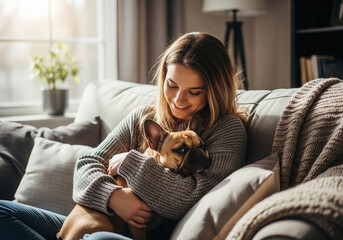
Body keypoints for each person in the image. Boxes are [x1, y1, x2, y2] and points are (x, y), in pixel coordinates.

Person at [0, 32, 247, 240]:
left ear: (215, 89)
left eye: (193, 91)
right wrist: (114, 197)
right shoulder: (143, 118)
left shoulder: (227, 129)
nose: (178, 100)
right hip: (96, 219)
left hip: (116, 236)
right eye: (172, 85)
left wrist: (131, 162)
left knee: (98, 239)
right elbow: (87, 164)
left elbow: (190, 196)